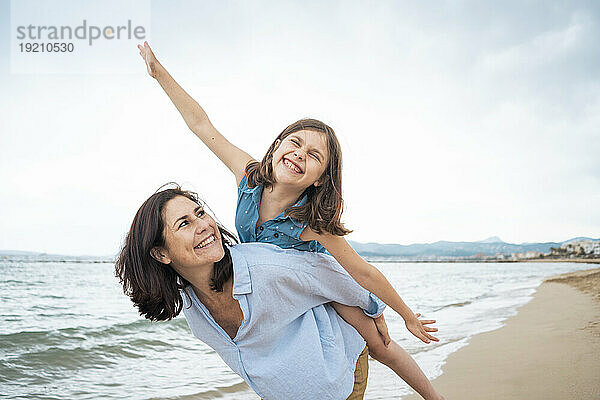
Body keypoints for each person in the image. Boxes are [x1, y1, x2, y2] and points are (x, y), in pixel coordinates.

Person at [137, 41, 444, 400]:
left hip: (318, 281)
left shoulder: (311, 221)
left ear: (319, 178)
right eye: (294, 143)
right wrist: (160, 75)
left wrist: (403, 313)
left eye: (314, 155)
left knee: (378, 343)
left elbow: (362, 271)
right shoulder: (248, 178)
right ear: (278, 145)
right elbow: (202, 125)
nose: (300, 154)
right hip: (276, 287)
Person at [115, 186, 384, 399]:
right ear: (161, 254)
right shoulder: (191, 303)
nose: (204, 224)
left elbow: (332, 272)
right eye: (184, 223)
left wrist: (375, 308)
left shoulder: (262, 266)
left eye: (199, 213)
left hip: (338, 374)